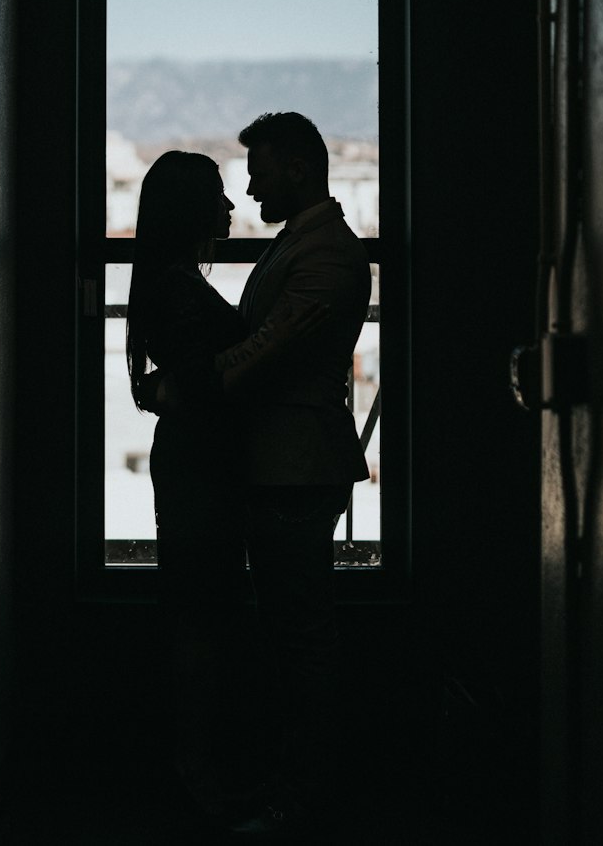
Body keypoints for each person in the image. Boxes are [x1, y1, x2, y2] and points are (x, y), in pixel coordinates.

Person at [214, 111, 372, 836]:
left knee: (299, 640)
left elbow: (270, 346)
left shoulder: (328, 253)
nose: (249, 189)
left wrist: (192, 384)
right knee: (289, 636)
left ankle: (302, 796)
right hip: (286, 458)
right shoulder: (310, 245)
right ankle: (293, 786)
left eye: (261, 172)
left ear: (300, 169)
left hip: (296, 463)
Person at [125, 150, 252, 820]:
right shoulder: (180, 288)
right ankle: (195, 767)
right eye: (218, 197)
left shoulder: (166, 282)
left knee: (196, 609)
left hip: (191, 460)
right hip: (201, 464)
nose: (230, 208)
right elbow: (212, 377)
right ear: (191, 212)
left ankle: (191, 763)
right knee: (203, 615)